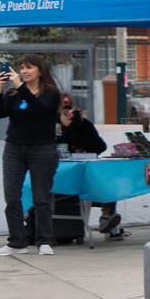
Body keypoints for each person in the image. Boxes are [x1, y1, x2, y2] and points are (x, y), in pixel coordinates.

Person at [0, 54, 63, 257]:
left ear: (40, 71)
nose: (23, 71)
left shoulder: (51, 93)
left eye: (29, 67)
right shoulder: (14, 93)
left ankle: (44, 241)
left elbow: (39, 109)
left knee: (41, 198)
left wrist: (20, 86)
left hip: (42, 149)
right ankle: (17, 242)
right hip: (14, 149)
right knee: (12, 196)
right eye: (21, 67)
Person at [58, 99, 122, 236]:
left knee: (107, 183)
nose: (68, 116)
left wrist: (81, 125)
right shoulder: (57, 128)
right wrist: (72, 125)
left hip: (86, 172)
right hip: (63, 176)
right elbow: (64, 140)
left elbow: (100, 146)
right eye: (64, 113)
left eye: (70, 113)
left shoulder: (83, 125)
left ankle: (107, 219)